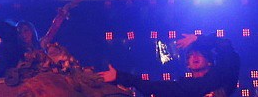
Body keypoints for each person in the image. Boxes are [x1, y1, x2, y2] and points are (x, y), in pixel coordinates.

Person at [104, 34, 243, 97]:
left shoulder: (221, 78)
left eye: (199, 54)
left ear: (209, 61)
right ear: (188, 65)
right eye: (190, 56)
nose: (194, 57)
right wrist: (119, 76)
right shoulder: (184, 87)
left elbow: (227, 49)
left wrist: (198, 39)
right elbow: (152, 87)